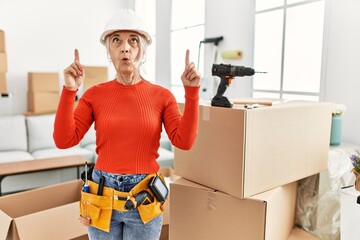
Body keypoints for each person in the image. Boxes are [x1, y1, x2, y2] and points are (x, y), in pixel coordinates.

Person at [53, 8, 201, 240]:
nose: (125, 47)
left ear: (143, 50)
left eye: (133, 40)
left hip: (144, 196)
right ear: (109, 51)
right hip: (102, 194)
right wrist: (70, 90)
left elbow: (185, 141)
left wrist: (191, 94)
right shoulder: (94, 95)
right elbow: (63, 140)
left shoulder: (162, 96)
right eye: (116, 40)